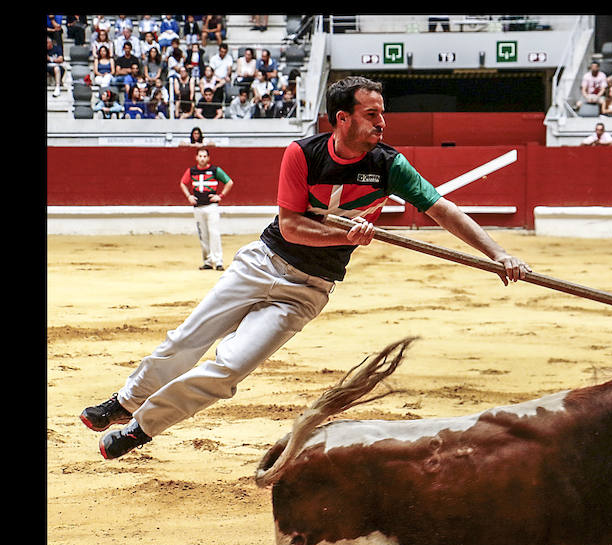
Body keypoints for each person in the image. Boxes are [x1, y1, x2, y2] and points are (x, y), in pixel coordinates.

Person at [80, 75, 531, 460]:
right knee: (187, 340)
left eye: (382, 113)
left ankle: (141, 428)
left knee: (229, 367)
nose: (382, 122)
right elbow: (292, 226)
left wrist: (497, 255)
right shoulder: (301, 153)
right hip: (263, 263)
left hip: (309, 289)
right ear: (343, 119)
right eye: (372, 114)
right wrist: (345, 236)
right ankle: (126, 401)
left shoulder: (390, 165)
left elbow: (443, 210)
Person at [179, 147, 233, 271]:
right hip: (198, 208)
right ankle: (208, 261)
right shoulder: (191, 171)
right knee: (203, 235)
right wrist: (189, 196)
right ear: (196, 157)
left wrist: (220, 196)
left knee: (214, 234)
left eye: (204, 156)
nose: (202, 158)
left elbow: (229, 182)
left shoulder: (215, 170)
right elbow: (182, 183)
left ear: (208, 158)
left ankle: (218, 261)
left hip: (211, 207)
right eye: (200, 156)